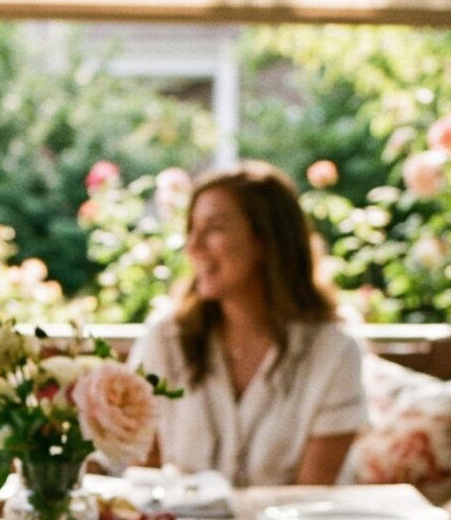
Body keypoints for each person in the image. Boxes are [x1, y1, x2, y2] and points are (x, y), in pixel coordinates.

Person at [129, 162, 368, 487]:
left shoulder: (334, 352)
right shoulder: (165, 339)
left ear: (266, 241)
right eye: (192, 229)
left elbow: (311, 500)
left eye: (214, 228)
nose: (193, 247)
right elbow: (143, 480)